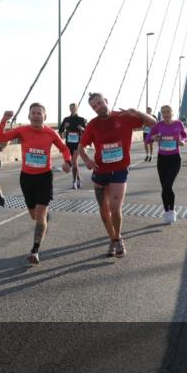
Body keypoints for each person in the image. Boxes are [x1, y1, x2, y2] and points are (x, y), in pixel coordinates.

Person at [78, 92, 156, 258]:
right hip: (100, 171)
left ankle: (118, 238)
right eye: (94, 106)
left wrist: (137, 112)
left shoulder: (124, 117)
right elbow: (81, 146)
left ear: (106, 101)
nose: (98, 107)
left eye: (100, 103)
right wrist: (87, 160)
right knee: (104, 210)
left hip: (119, 170)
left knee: (115, 208)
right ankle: (112, 239)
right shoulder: (92, 124)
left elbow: (153, 123)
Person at [0, 103, 72, 265]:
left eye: (39, 113)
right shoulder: (22, 130)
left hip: (44, 177)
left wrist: (68, 162)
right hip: (26, 178)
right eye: (34, 113)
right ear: (29, 116)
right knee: (34, 216)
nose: (36, 115)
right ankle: (44, 218)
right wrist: (3, 120)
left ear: (45, 116)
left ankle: (35, 251)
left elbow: (64, 148)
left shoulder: (51, 133)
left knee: (40, 215)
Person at [146, 105, 187, 224]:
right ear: (161, 114)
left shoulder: (178, 124)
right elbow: (147, 139)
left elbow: (185, 136)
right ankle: (166, 212)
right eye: (163, 112)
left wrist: (183, 142)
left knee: (168, 184)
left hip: (175, 159)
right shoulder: (157, 126)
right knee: (165, 187)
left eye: (168, 111)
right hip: (162, 159)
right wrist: (153, 137)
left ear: (172, 112)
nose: (166, 113)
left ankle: (172, 211)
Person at [57, 103, 87, 189]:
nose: (72, 109)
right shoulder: (66, 119)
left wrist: (82, 129)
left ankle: (74, 181)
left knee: (74, 161)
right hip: (69, 143)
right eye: (71, 108)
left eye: (74, 108)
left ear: (77, 108)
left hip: (78, 143)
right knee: (74, 163)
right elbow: (61, 130)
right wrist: (64, 127)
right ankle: (78, 178)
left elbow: (87, 132)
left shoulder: (81, 119)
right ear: (69, 109)